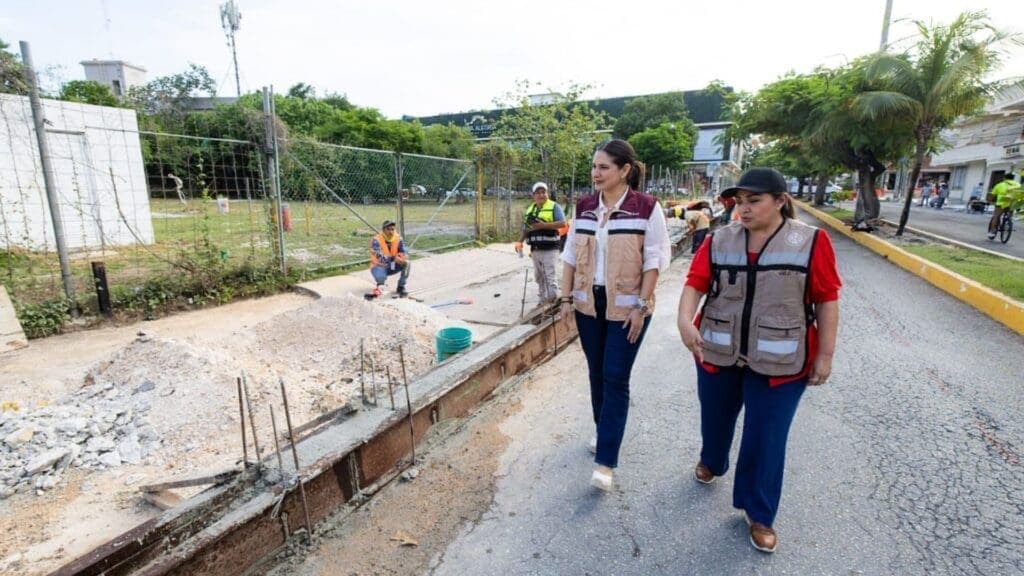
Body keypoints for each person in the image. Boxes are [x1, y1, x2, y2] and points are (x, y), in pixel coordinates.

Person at [676, 167, 841, 554]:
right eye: (740, 201)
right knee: (715, 420)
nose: (744, 209)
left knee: (767, 437)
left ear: (780, 201)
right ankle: (712, 460)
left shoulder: (811, 242)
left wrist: (825, 355)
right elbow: (695, 284)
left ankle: (760, 512)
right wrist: (684, 321)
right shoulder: (720, 239)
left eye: (755, 201)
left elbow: (827, 299)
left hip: (783, 360)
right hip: (718, 350)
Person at [558, 139, 671, 492]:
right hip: (589, 305)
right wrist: (564, 300)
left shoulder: (647, 208)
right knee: (596, 372)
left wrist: (641, 304)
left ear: (624, 171)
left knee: (615, 376)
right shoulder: (585, 207)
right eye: (594, 166)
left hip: (629, 307)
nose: (596, 173)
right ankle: (603, 428)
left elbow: (655, 259)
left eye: (604, 167)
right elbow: (570, 256)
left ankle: (606, 460)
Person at [515, 182, 566, 304]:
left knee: (550, 276)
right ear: (533, 195)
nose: (541, 195)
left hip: (550, 249)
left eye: (543, 192)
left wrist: (544, 225)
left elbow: (562, 223)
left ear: (547, 193)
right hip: (535, 249)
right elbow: (526, 228)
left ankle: (552, 303)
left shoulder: (554, 206)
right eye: (538, 192)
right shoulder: (530, 209)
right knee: (539, 277)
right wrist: (519, 242)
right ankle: (542, 301)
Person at [369, 220, 409, 298]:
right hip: (379, 266)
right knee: (380, 276)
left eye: (392, 229)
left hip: (392, 265)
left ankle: (401, 287)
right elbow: (380, 257)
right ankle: (380, 284)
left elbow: (403, 252)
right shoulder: (376, 240)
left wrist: (401, 258)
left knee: (407, 263)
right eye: (388, 229)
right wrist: (394, 258)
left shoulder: (398, 238)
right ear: (383, 230)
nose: (391, 231)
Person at [988, 172, 1020, 240]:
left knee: (996, 217)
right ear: (1013, 178)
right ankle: (1008, 224)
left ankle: (992, 231)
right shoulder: (1018, 185)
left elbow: (992, 194)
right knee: (1009, 216)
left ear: (1005, 178)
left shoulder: (1000, 185)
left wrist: (989, 201)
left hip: (1001, 204)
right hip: (1012, 204)